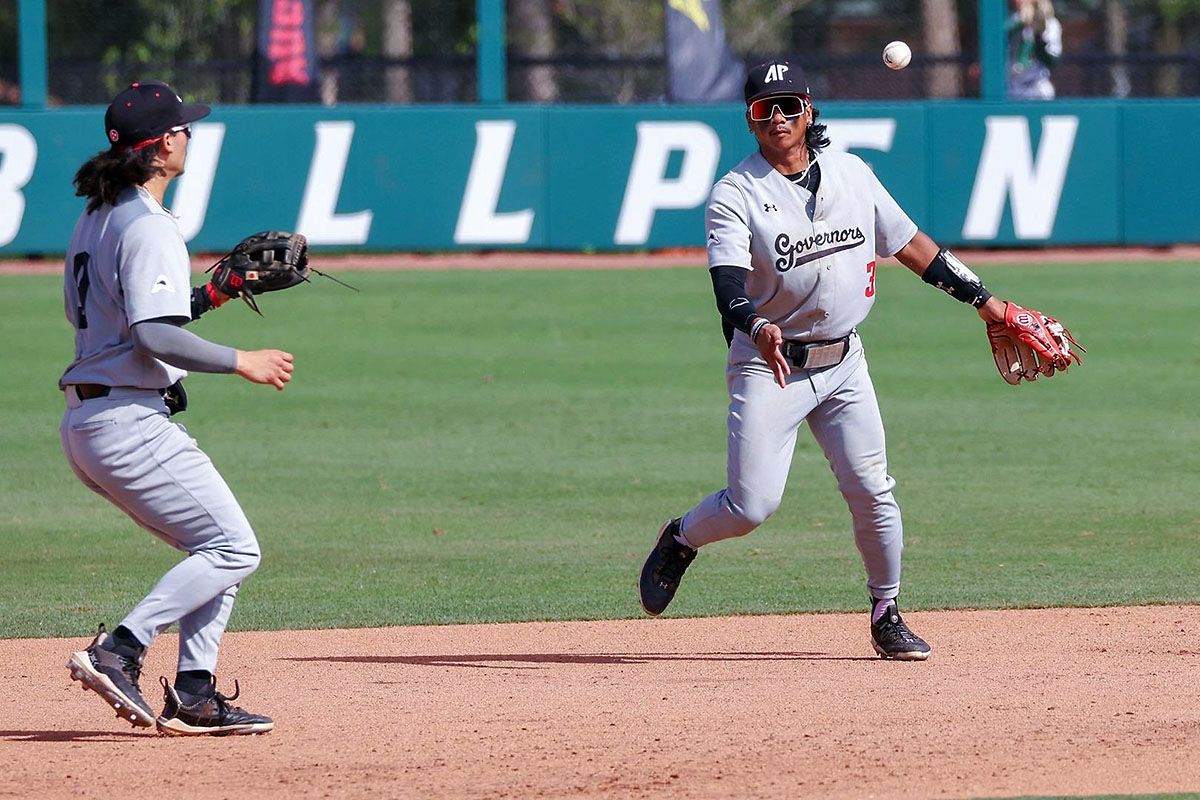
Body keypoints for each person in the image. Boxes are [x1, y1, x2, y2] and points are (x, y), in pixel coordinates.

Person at [638, 59, 1072, 660]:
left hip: (844, 364)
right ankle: (681, 537)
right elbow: (728, 289)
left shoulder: (851, 174)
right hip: (772, 365)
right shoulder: (736, 193)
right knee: (751, 505)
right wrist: (758, 325)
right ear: (751, 120)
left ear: (809, 111)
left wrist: (988, 303)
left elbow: (916, 248)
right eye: (767, 108)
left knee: (873, 489)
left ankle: (886, 610)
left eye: (791, 105)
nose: (780, 117)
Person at [62, 80, 292, 734]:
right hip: (126, 422)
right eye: (183, 128)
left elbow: (130, 319)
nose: (189, 134)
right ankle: (121, 650)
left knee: (215, 548)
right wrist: (238, 358)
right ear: (162, 145)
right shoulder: (149, 223)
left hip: (92, 421)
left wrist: (210, 296)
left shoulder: (97, 217)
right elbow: (152, 336)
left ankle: (193, 692)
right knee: (234, 549)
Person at [1008, 0, 1062, 100]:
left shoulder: (1050, 23)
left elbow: (1052, 60)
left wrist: (1038, 36)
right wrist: (1021, 23)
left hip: (1036, 85)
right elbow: (996, 38)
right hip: (1010, 86)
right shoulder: (1012, 19)